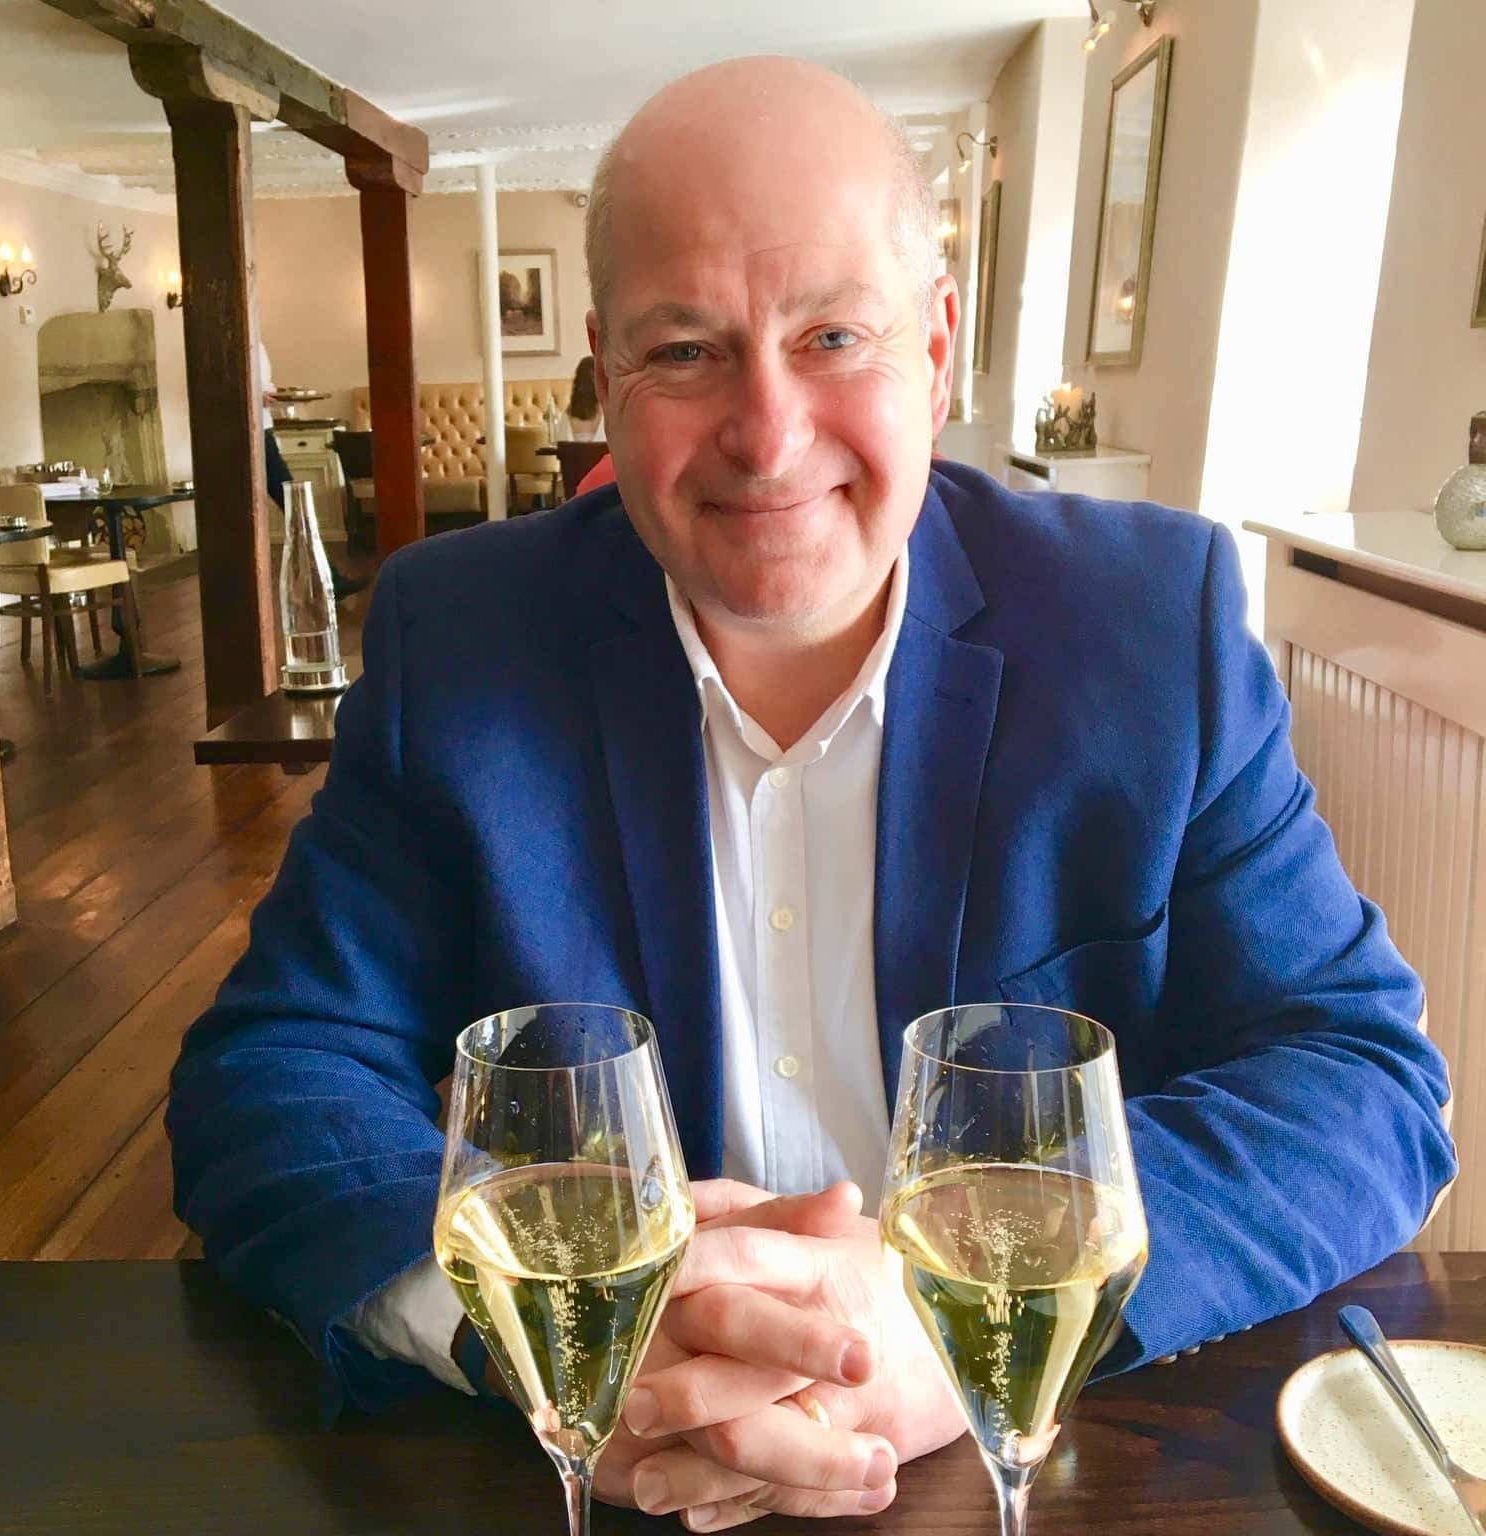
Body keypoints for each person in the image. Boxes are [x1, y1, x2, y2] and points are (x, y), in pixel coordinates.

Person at [171, 58, 1456, 1531]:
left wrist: (941, 1320)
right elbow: (273, 1075)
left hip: (1052, 1466)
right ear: (605, 365)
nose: (768, 438)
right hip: (598, 1476)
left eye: (834, 335)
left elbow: (1355, 1074)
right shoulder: (457, 640)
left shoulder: (1147, 626)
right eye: (686, 352)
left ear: (940, 345)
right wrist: (565, 1345)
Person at [258, 339, 367, 602]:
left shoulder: (254, 338)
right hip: (251, 430)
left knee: (294, 507)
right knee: (294, 506)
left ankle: (323, 581)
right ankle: (325, 581)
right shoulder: (239, 336)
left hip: (260, 426)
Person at [566, 354, 606, 439]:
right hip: (600, 451)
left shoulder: (568, 412)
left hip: (574, 452)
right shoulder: (606, 410)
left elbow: (560, 444)